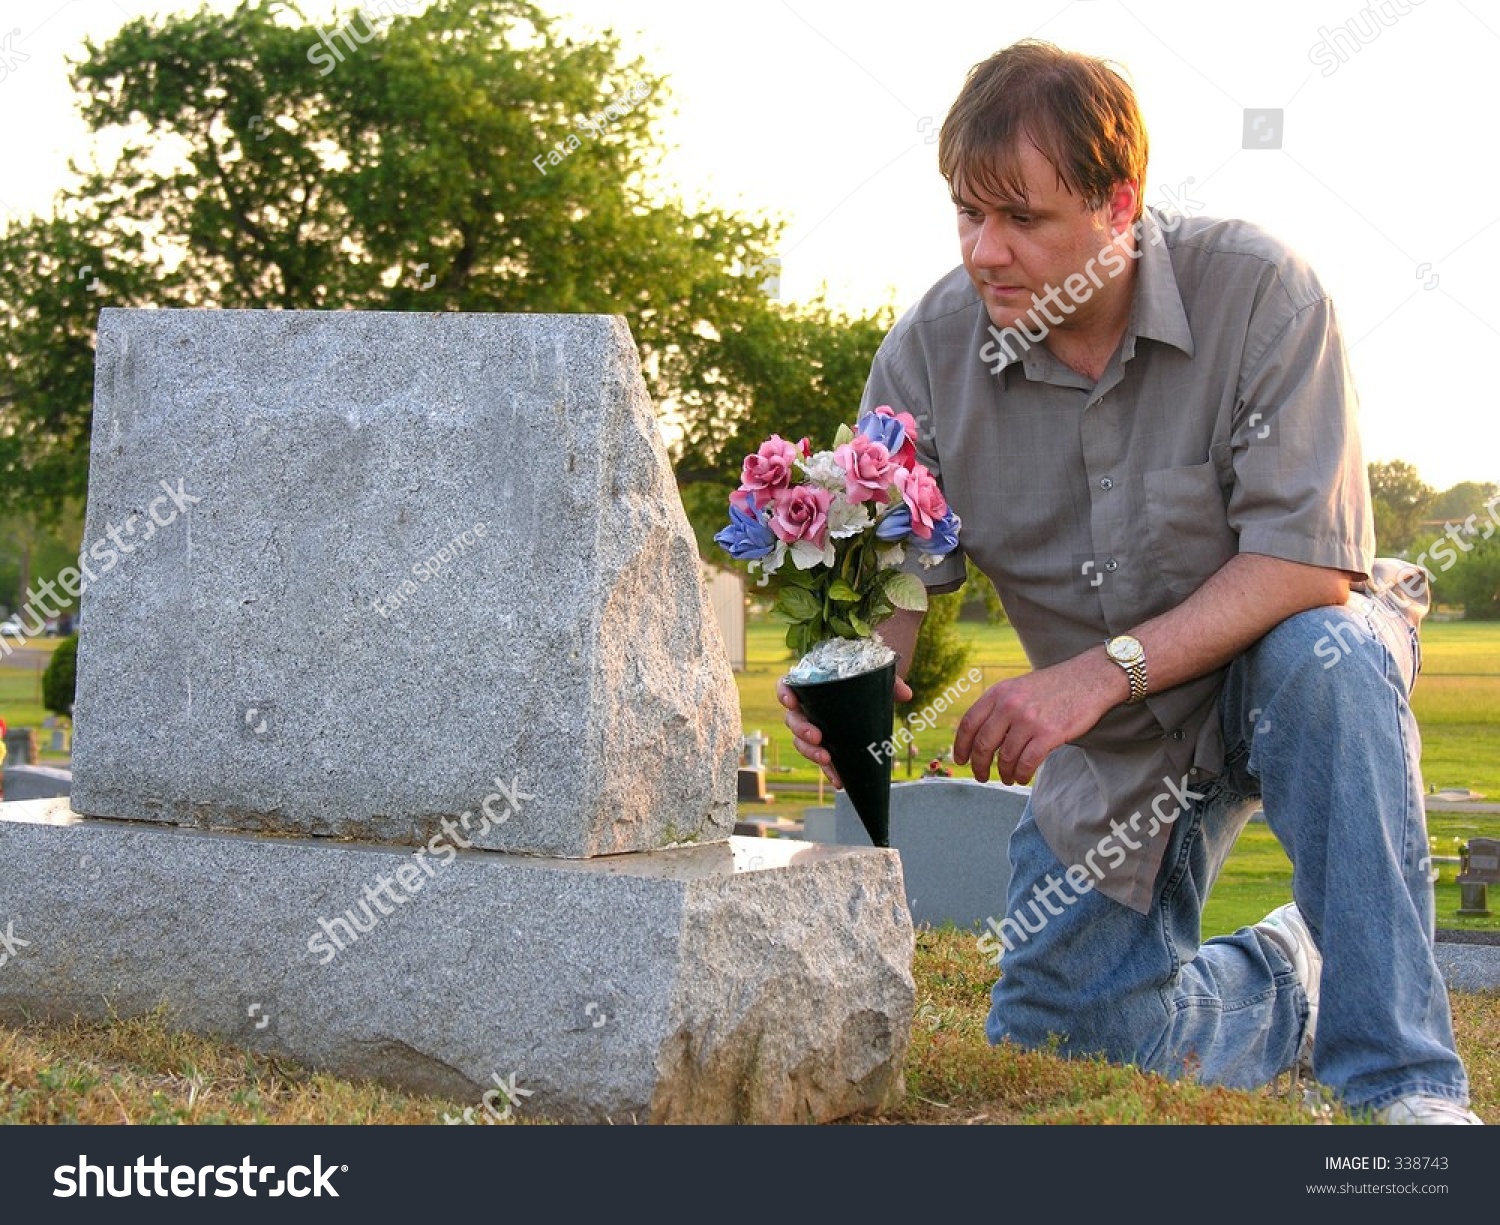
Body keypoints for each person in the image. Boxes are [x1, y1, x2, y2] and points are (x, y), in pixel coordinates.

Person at [780, 40, 1479, 1124]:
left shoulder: (1263, 292)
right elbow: (903, 584)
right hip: (1123, 742)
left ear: (1120, 206)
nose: (985, 251)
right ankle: (1290, 979)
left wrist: (1096, 676)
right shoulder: (927, 350)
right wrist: (851, 681)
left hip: (1278, 662)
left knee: (1331, 654)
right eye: (967, 213)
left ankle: (1404, 1088)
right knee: (1064, 1030)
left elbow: (1307, 562)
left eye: (1022, 218)